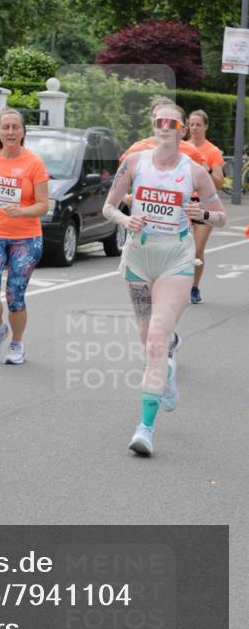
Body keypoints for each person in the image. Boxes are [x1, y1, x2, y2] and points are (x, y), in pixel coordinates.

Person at [103, 104, 226, 457]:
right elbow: (109, 207)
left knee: (156, 341)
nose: (164, 128)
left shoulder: (195, 172)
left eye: (172, 123)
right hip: (138, 260)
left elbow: (220, 217)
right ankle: (168, 369)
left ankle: (145, 428)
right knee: (148, 339)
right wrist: (126, 222)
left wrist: (201, 213)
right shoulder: (134, 163)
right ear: (153, 127)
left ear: (183, 130)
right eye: (159, 122)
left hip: (176, 258)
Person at [0, 109, 49, 364]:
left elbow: (44, 205)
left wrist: (22, 211)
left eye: (16, 127)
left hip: (26, 238)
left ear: (23, 132)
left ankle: (17, 343)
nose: (11, 132)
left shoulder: (34, 163)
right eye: (6, 127)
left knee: (15, 296)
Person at [186, 110, 224, 304]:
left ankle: (194, 287)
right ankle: (177, 285)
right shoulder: (181, 147)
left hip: (203, 204)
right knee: (176, 248)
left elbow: (219, 182)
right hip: (182, 204)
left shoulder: (212, 151)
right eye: (191, 125)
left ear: (206, 126)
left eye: (198, 125)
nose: (194, 128)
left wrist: (205, 168)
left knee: (196, 250)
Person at [119, 97, 206, 166]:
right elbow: (120, 180)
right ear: (151, 120)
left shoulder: (191, 151)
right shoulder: (137, 149)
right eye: (156, 116)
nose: (162, 122)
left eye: (166, 118)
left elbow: (206, 183)